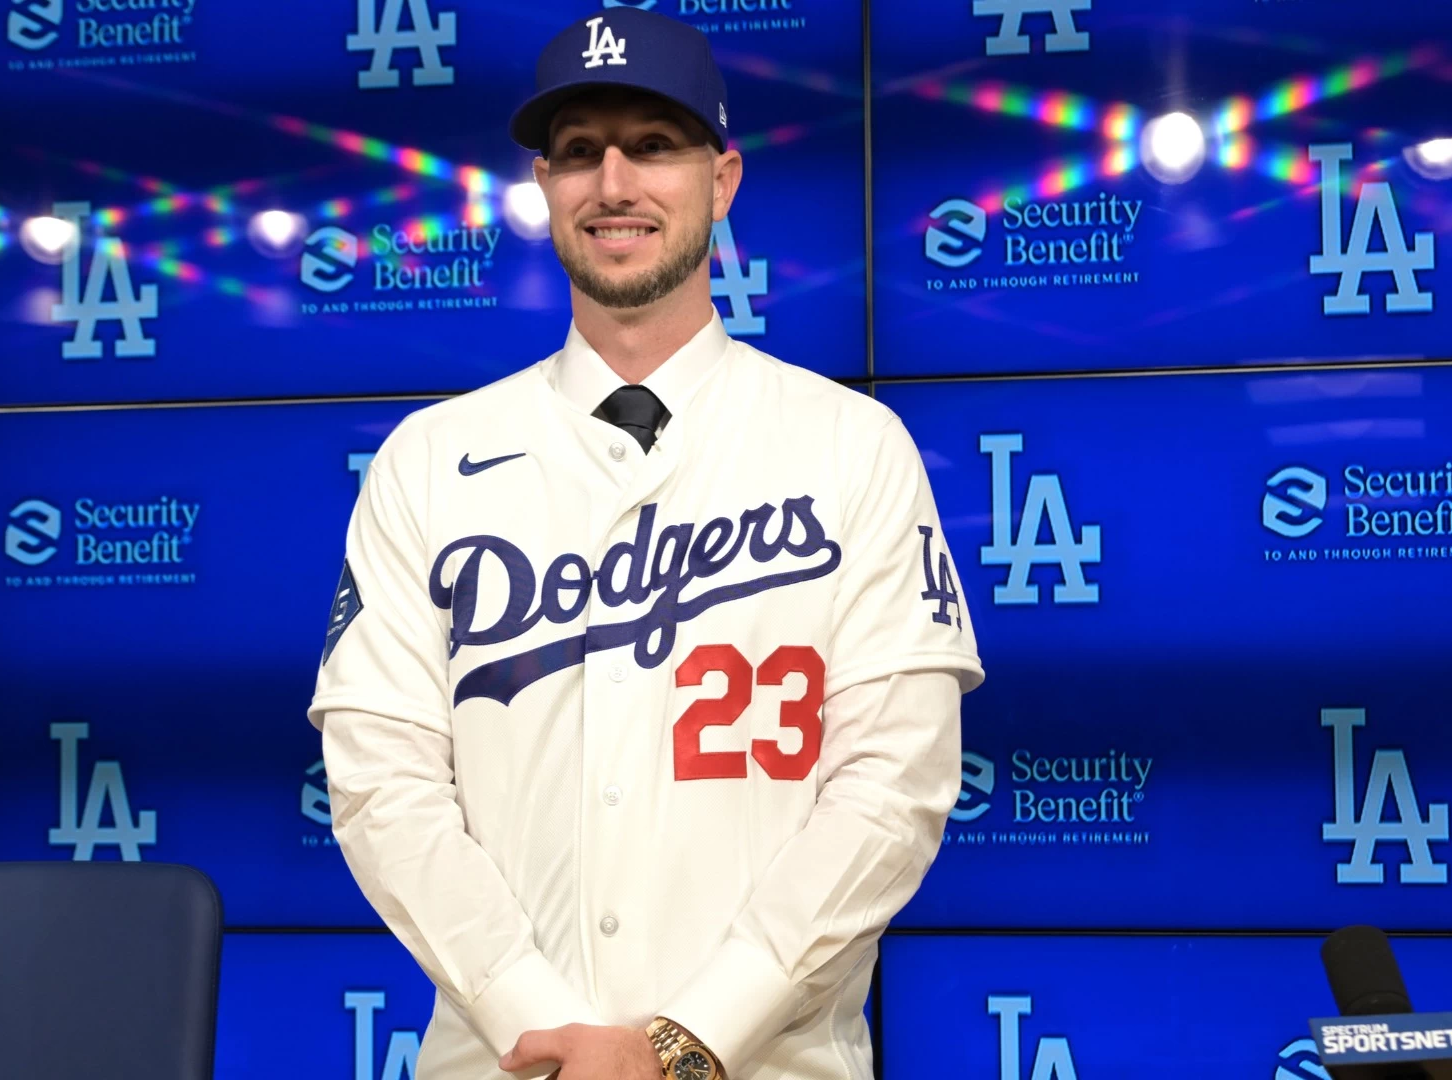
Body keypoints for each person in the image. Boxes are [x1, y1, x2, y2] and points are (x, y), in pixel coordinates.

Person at [308, 8, 984, 1078]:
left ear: (722, 180)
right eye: (580, 151)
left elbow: (892, 784)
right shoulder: (427, 459)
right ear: (545, 186)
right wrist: (539, 1021)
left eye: (654, 145)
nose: (613, 183)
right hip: (504, 1061)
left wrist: (688, 1040)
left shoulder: (853, 444)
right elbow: (382, 785)